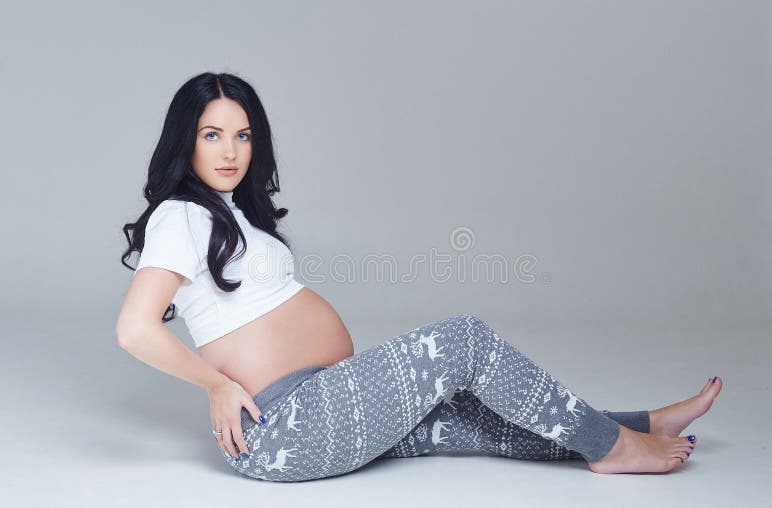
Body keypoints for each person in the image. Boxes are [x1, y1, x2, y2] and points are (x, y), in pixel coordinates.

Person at [117, 72, 723, 482]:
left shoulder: (231, 214)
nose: (230, 150)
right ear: (186, 143)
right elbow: (136, 330)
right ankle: (615, 449)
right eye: (212, 134)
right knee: (460, 341)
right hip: (285, 427)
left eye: (242, 134)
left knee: (472, 415)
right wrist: (216, 386)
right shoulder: (182, 214)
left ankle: (633, 426)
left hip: (327, 404)